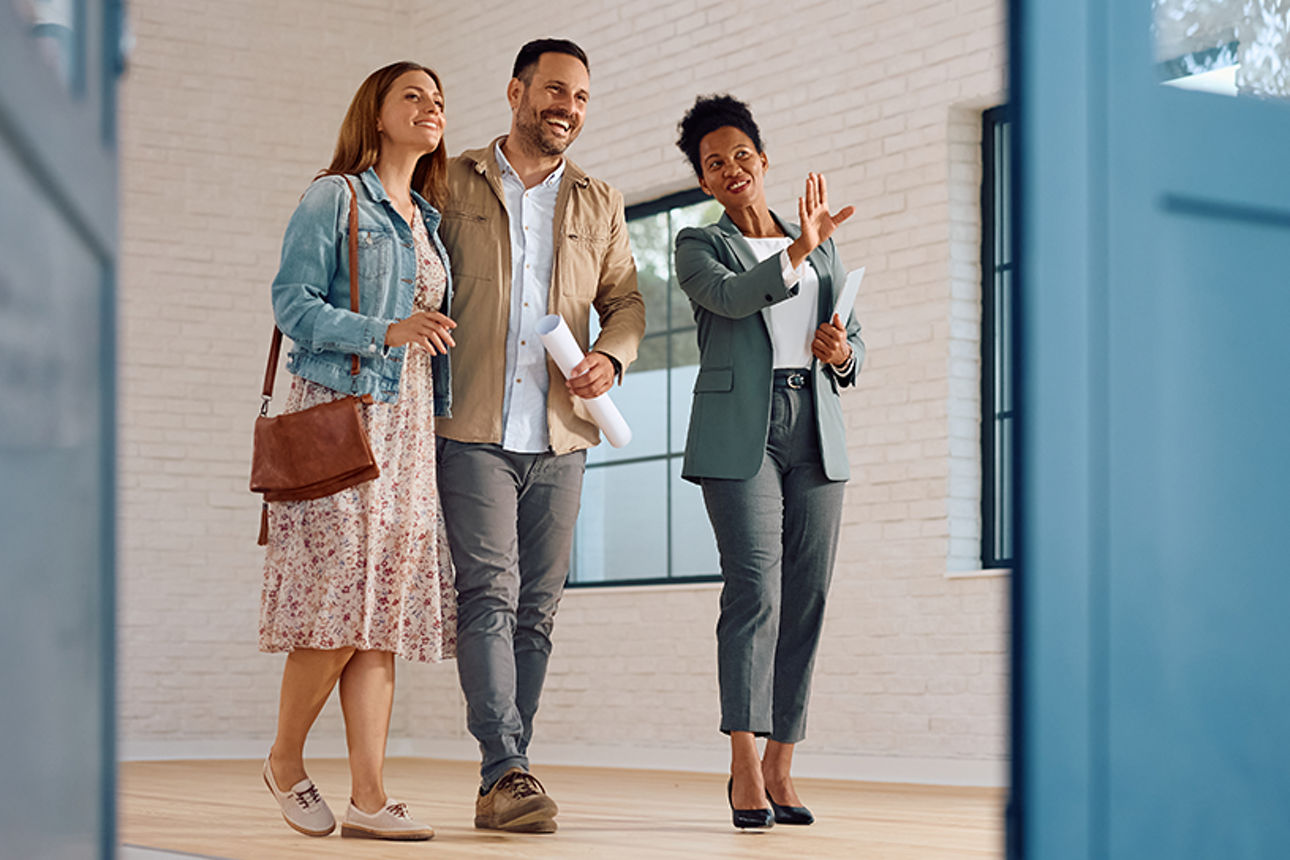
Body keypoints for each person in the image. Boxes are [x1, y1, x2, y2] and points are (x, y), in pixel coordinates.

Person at [434, 38, 644, 833]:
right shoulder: (449, 180)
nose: (569, 108)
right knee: (486, 592)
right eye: (555, 91)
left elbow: (627, 301)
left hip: (562, 437)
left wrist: (609, 358)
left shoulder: (600, 200)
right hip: (473, 426)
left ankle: (503, 778)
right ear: (517, 91)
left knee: (538, 610)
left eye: (582, 98)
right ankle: (507, 766)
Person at [258, 61, 459, 842]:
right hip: (340, 416)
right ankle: (283, 760)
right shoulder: (333, 196)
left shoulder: (428, 220)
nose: (430, 107)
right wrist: (384, 331)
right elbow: (291, 303)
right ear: (376, 113)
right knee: (335, 607)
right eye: (413, 95)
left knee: (379, 616)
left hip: (406, 430)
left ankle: (370, 799)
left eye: (438, 99)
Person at [673, 94, 864, 829]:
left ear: (764, 158)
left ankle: (784, 761)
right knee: (756, 593)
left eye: (741, 156)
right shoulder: (699, 245)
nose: (731, 170)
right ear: (704, 179)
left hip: (815, 424)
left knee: (807, 599)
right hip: (737, 433)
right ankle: (744, 763)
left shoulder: (819, 241)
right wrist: (794, 250)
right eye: (713, 163)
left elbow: (854, 334)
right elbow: (734, 298)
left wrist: (842, 351)